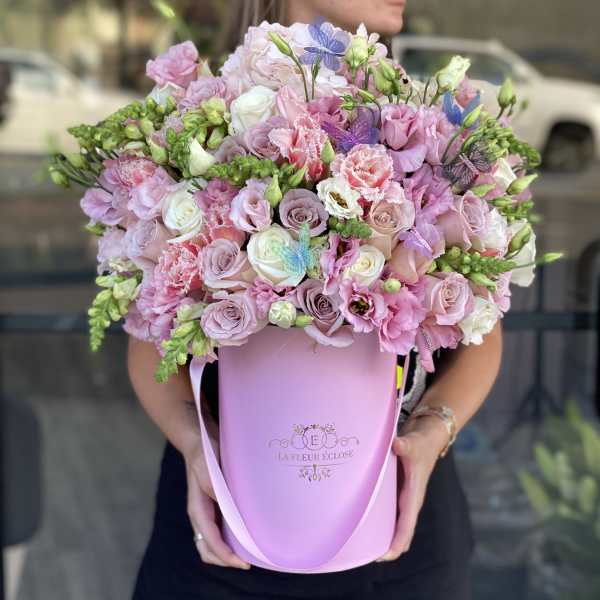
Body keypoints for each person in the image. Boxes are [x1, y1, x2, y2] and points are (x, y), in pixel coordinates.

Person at [129, 1, 503, 598]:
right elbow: (147, 334)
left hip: (403, 516)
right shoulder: (197, 121)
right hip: (230, 521)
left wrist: (434, 429)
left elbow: (482, 330)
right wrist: (195, 444)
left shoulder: (427, 123)